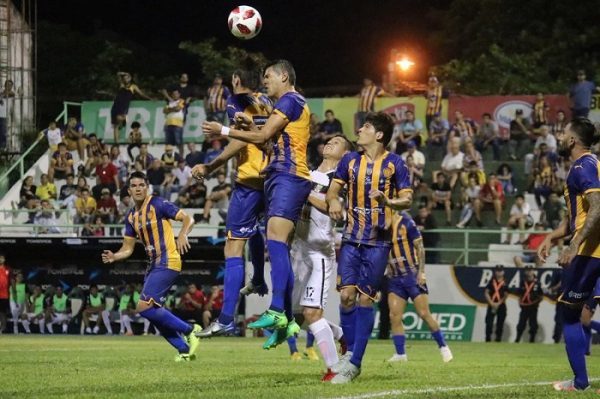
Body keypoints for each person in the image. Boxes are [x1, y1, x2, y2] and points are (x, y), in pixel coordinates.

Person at [201, 60, 312, 347]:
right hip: (274, 176)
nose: (265, 81)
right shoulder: (273, 104)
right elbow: (268, 135)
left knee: (249, 242)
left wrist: (222, 133)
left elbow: (258, 138)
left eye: (269, 76)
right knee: (276, 242)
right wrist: (251, 124)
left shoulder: (278, 99)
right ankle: (282, 312)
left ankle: (245, 314)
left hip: (273, 177)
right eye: (262, 77)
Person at [325, 111, 413, 384]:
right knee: (346, 296)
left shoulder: (395, 164)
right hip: (351, 239)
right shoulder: (350, 160)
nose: (359, 129)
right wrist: (334, 201)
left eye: (365, 126)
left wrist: (388, 202)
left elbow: (407, 199)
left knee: (365, 299)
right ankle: (349, 352)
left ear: (379, 135)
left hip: (378, 242)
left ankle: (355, 363)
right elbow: (332, 190)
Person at [193, 66, 272, 338]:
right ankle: (260, 277)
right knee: (257, 232)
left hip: (249, 181)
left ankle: (226, 318)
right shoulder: (266, 100)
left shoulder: (236, 101)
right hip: (272, 180)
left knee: (232, 248)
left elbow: (240, 141)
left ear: (236, 81)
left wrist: (211, 166)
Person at [101, 171, 201, 362]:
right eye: (134, 186)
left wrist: (182, 235)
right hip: (153, 265)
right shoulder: (131, 217)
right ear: (129, 190)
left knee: (144, 307)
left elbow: (188, 219)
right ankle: (184, 350)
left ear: (147, 187)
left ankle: (191, 330)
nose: (138, 188)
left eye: (141, 185)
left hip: (168, 260)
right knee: (154, 314)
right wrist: (115, 256)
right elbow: (127, 248)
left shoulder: (158, 203)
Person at [537, 117, 600, 391]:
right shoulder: (593, 164)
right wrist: (551, 237)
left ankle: (581, 383)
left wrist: (574, 245)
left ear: (572, 140)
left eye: (563, 134)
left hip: (590, 251)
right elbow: (578, 216)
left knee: (570, 314)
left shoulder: (581, 167)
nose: (561, 138)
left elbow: (597, 207)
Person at [284, 135, 352, 378]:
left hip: (319, 254)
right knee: (297, 317)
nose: (330, 143)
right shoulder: (309, 174)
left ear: (344, 154)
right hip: (298, 251)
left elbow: (333, 209)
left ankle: (334, 369)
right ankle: (342, 336)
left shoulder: (341, 181)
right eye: (329, 141)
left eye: (337, 142)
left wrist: (302, 190)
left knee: (312, 313)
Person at [386, 211, 452, 363]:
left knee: (423, 313)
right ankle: (401, 354)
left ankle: (443, 347)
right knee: (394, 316)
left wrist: (421, 272)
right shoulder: (382, 226)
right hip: (396, 278)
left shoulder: (407, 222)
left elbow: (420, 247)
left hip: (412, 274)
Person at [110, 72, 152, 144]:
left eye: (127, 78)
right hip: (116, 105)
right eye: (124, 78)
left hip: (123, 107)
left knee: (121, 118)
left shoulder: (133, 86)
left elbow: (141, 94)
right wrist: (124, 73)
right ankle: (116, 142)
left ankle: (123, 123)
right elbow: (118, 74)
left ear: (130, 79)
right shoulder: (121, 85)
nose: (125, 79)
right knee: (115, 125)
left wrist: (150, 98)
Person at [513, 267, 543, 343]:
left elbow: (541, 296)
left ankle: (532, 340)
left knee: (533, 324)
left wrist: (536, 302)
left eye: (530, 270)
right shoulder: (522, 282)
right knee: (521, 323)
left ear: (533, 271)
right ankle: (517, 339)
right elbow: (519, 294)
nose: (529, 272)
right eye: (527, 270)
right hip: (524, 307)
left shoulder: (537, 283)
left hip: (533, 307)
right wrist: (520, 301)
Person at [484, 265, 508, 342]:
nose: (499, 273)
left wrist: (499, 303)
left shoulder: (505, 282)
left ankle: (498, 339)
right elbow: (486, 292)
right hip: (491, 304)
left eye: (500, 271)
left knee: (500, 323)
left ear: (503, 272)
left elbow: (506, 294)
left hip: (501, 305)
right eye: (497, 271)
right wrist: (491, 302)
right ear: (495, 272)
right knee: (489, 323)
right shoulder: (491, 281)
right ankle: (488, 339)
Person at [163, 89, 186, 157]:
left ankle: (181, 157)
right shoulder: (169, 102)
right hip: (168, 124)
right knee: (168, 143)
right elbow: (164, 111)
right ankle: (169, 158)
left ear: (179, 95)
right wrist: (173, 108)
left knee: (179, 142)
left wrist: (170, 109)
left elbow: (178, 109)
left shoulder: (181, 101)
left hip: (177, 125)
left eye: (176, 94)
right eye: (173, 94)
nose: (174, 95)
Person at [0, 252, 9, 333]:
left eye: (2, 258)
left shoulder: (7, 269)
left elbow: (7, 282)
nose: (1, 259)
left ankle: (3, 328)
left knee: (3, 312)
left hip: (4, 295)